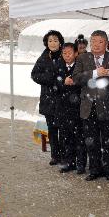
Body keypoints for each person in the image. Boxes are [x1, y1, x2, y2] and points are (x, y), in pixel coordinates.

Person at [70, 30, 109, 182]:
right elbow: (76, 78)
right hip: (88, 106)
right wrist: (95, 73)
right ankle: (94, 170)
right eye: (93, 41)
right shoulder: (83, 58)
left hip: (107, 106)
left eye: (99, 41)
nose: (96, 45)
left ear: (106, 43)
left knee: (108, 141)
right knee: (91, 141)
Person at [31, 30, 64, 165]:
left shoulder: (65, 54)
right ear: (46, 43)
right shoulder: (43, 57)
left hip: (64, 98)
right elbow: (34, 75)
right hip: (48, 99)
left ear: (60, 42)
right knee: (52, 129)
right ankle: (55, 155)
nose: (53, 43)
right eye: (50, 40)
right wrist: (49, 79)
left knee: (64, 129)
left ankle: (66, 154)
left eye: (55, 40)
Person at [57, 43, 86, 174]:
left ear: (75, 53)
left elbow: (85, 82)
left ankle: (80, 164)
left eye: (69, 52)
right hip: (63, 108)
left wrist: (75, 82)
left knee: (79, 137)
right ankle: (69, 162)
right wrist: (62, 82)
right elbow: (53, 83)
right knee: (66, 137)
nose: (67, 55)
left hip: (78, 107)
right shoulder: (59, 66)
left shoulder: (80, 66)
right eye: (64, 53)